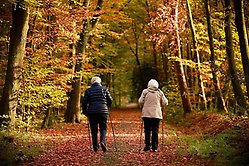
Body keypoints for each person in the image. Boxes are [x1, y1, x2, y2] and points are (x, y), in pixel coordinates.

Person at [82, 76, 113, 152]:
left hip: (92, 112)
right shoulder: (105, 90)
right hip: (103, 112)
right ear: (100, 82)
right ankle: (103, 141)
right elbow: (110, 100)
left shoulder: (88, 91)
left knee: (93, 129)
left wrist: (85, 112)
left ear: (92, 82)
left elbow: (84, 102)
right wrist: (107, 107)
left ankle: (95, 146)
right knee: (103, 128)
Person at [138, 79, 168, 152]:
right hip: (156, 114)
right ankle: (154, 147)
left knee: (147, 130)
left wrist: (142, 105)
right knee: (155, 130)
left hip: (146, 114)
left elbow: (140, 101)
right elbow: (165, 102)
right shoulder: (159, 92)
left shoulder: (145, 92)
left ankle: (147, 146)